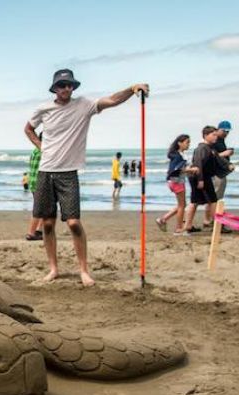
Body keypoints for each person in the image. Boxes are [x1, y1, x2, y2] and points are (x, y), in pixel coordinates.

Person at [24, 68, 149, 287]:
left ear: (73, 87)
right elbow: (28, 129)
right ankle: (53, 269)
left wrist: (132, 89)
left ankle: (83, 270)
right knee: (48, 224)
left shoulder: (84, 105)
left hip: (68, 174)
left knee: (73, 223)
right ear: (54, 88)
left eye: (69, 85)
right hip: (46, 172)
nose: (66, 88)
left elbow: (112, 100)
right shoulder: (43, 109)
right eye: (62, 85)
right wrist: (41, 146)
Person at [156, 134, 198, 235]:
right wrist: (191, 169)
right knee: (182, 206)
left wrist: (190, 170)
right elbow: (178, 169)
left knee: (182, 205)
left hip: (175, 181)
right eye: (187, 142)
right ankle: (178, 229)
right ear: (179, 143)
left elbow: (180, 169)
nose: (189, 144)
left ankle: (163, 219)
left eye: (189, 142)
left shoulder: (179, 154)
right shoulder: (178, 155)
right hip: (176, 181)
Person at [183, 126, 221, 234]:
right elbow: (198, 163)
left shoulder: (209, 148)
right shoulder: (202, 148)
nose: (216, 137)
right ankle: (217, 225)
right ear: (205, 135)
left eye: (216, 135)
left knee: (196, 201)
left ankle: (188, 226)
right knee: (212, 200)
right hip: (199, 177)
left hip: (202, 176)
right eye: (213, 135)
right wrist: (200, 180)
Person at [207, 120, 234, 231]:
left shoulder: (221, 140)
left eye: (228, 131)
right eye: (224, 131)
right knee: (217, 199)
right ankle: (216, 223)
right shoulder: (214, 140)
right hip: (217, 174)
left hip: (220, 173)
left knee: (215, 198)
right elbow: (210, 156)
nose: (226, 133)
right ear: (218, 129)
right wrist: (225, 153)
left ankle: (210, 221)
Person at [25, 136, 43, 241]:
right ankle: (31, 232)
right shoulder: (43, 152)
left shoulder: (34, 151)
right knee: (39, 208)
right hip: (40, 182)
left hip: (32, 181)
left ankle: (38, 230)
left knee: (43, 208)